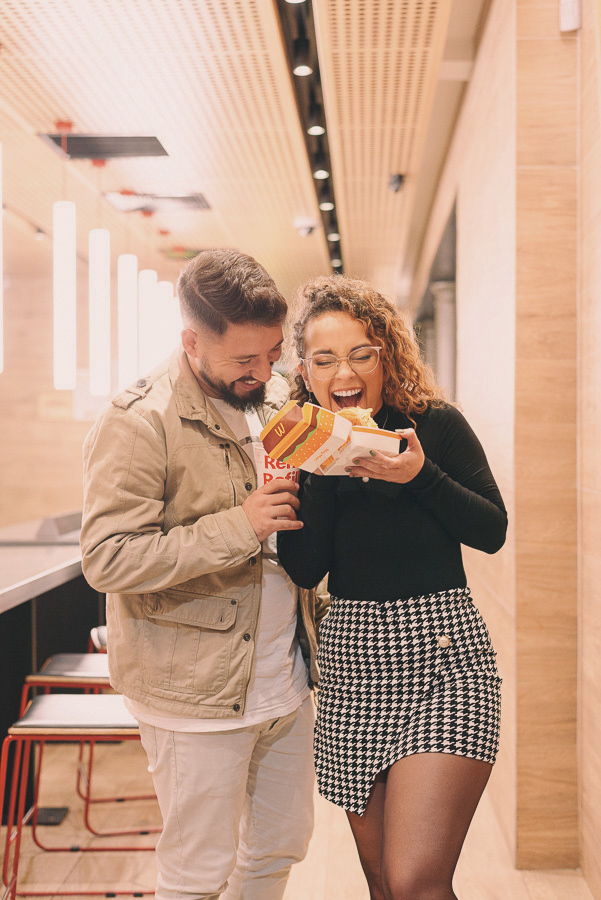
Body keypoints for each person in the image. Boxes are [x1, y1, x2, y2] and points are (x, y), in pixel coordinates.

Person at [80, 249, 327, 900]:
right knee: (197, 873)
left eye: (272, 353)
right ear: (191, 341)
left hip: (285, 681)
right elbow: (108, 557)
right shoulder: (138, 420)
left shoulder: (272, 400)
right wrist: (239, 526)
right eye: (244, 360)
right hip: (191, 696)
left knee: (277, 847)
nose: (262, 371)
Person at [277, 275, 508, 900]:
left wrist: (420, 477)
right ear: (305, 370)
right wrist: (322, 463)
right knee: (382, 881)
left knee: (415, 880)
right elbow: (304, 569)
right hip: (354, 658)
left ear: (385, 354)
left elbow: (492, 530)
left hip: (445, 657)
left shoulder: (433, 426)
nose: (343, 371)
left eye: (359, 353)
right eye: (325, 359)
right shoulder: (302, 448)